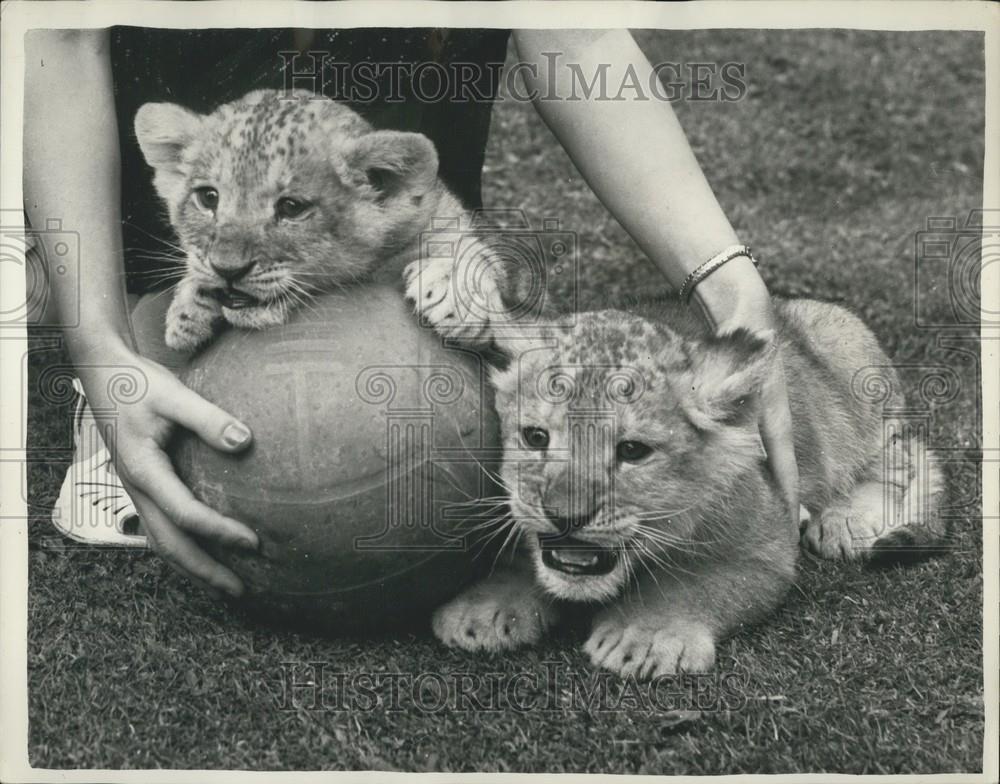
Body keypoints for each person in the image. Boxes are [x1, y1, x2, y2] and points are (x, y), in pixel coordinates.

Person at [24, 27, 798, 601]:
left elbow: (580, 27)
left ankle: (444, 294)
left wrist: (725, 279)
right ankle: (152, 344)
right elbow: (55, 31)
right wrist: (101, 347)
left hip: (398, 230)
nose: (233, 249)